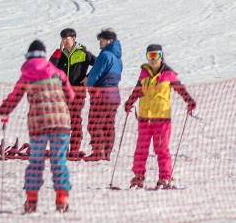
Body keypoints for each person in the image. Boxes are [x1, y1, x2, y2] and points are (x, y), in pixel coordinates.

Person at [0, 40, 75, 213]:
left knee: (36, 163)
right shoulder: (58, 73)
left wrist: (1, 112)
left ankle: (31, 200)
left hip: (38, 125)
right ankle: (62, 198)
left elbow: (14, 98)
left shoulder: (26, 75)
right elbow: (71, 96)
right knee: (59, 162)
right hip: (61, 124)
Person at [122, 44, 196, 189]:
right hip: (144, 118)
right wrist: (129, 102)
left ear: (161, 56)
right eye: (150, 56)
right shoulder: (144, 73)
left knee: (161, 149)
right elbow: (137, 90)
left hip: (162, 119)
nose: (153, 59)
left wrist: (189, 101)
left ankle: (165, 178)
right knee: (141, 149)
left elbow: (181, 90)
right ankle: (138, 177)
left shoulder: (169, 74)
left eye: (156, 55)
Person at [50, 28, 96, 160]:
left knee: (75, 119)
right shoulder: (60, 54)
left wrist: (88, 76)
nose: (64, 41)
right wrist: (58, 52)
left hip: (78, 91)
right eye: (63, 38)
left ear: (74, 38)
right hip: (62, 91)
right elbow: (49, 66)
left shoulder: (83, 53)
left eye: (67, 38)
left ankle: (74, 148)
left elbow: (99, 65)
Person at [83, 29, 123, 161]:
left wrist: (87, 83)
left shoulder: (105, 55)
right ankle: (106, 153)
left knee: (95, 124)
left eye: (102, 39)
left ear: (109, 41)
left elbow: (96, 73)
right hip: (114, 96)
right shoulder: (118, 58)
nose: (100, 42)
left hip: (102, 95)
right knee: (108, 125)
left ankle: (98, 152)